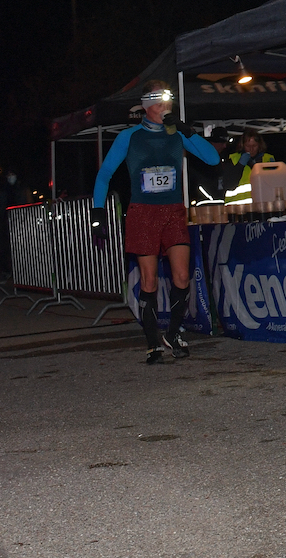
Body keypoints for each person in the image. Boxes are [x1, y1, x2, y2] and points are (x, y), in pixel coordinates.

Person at [91, 80, 220, 364]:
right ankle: (152, 342)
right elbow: (104, 174)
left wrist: (188, 131)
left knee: (182, 276)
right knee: (149, 281)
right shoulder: (130, 136)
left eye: (169, 102)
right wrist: (97, 212)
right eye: (160, 103)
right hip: (143, 213)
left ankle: (172, 334)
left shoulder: (176, 133)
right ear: (147, 106)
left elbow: (212, 159)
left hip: (173, 211)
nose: (166, 107)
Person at [0, 168, 30, 285]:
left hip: (21, 221)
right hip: (4, 221)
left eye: (13, 174)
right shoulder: (1, 189)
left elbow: (29, 202)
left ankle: (23, 272)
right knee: (1, 248)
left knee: (22, 248)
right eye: (9, 175)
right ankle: (5, 271)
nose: (10, 177)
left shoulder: (23, 188)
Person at [221, 128, 274, 205]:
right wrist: (240, 165)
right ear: (242, 145)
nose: (251, 149)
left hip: (262, 206)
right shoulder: (233, 159)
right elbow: (228, 185)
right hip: (237, 208)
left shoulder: (268, 159)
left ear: (259, 145)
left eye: (254, 146)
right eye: (248, 146)